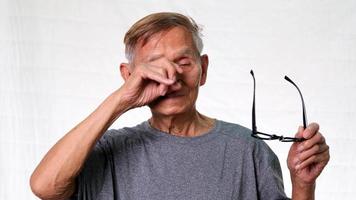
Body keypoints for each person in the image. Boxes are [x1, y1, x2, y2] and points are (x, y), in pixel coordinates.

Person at [30, 12, 330, 200]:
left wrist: (303, 185)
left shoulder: (247, 151)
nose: (170, 77)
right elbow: (45, 187)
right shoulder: (109, 152)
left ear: (203, 69)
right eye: (154, 66)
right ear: (128, 75)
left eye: (183, 62)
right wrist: (121, 99)